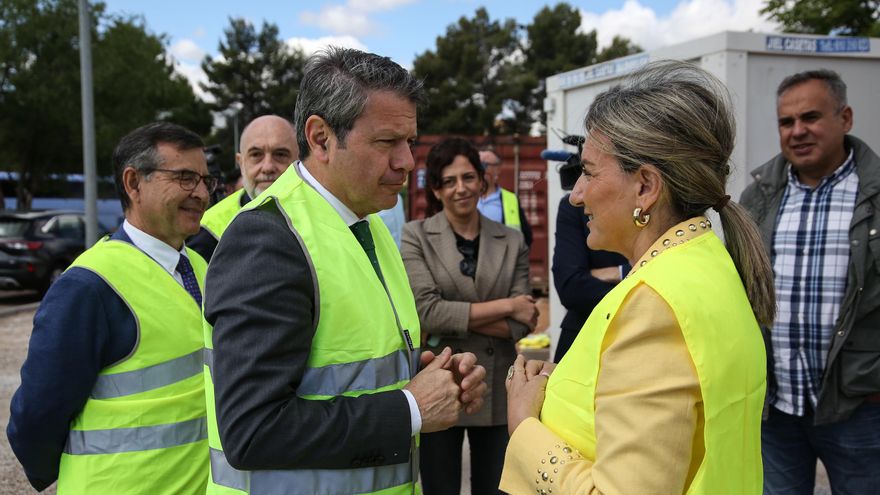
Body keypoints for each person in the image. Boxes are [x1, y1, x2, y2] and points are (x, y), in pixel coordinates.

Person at [202, 47, 487, 495]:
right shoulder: (268, 240)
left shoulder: (367, 224)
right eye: (386, 142)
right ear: (320, 138)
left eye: (410, 142)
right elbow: (251, 430)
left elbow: (350, 365)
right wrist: (411, 407)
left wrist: (433, 376)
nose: (407, 162)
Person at [501, 60, 775, 494]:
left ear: (645, 186)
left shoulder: (654, 305)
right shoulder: (706, 263)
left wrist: (524, 425)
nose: (576, 195)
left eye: (589, 172)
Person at [7, 122, 214, 493]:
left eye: (204, 180)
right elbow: (36, 417)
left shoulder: (202, 269)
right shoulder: (88, 285)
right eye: (185, 178)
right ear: (134, 183)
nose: (201, 193)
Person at [740, 69, 880, 494]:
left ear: (846, 118)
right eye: (786, 122)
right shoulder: (758, 198)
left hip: (860, 406)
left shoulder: (873, 194)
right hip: (776, 408)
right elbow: (738, 291)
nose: (797, 131)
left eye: (811, 117)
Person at [401, 137, 538, 494]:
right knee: (440, 486)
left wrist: (460, 316)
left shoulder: (511, 240)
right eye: (449, 181)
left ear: (482, 180)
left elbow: (524, 323)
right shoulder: (416, 236)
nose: (460, 188)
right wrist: (507, 306)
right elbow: (426, 312)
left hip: (498, 383)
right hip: (443, 379)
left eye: (468, 178)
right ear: (435, 188)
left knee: (495, 486)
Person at [188, 114, 298, 261]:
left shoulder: (325, 212)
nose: (267, 167)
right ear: (241, 163)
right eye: (256, 155)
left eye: (280, 154)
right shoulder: (208, 234)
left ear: (300, 161)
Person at [552, 194, 629, 362]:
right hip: (583, 336)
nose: (576, 193)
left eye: (590, 173)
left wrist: (622, 272)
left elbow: (669, 270)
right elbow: (570, 287)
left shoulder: (667, 207)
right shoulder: (573, 207)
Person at [478, 149, 533, 247]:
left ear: (497, 169)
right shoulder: (465, 196)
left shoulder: (511, 199)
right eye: (476, 164)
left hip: (501, 259)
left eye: (484, 164)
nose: (480, 169)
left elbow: (526, 237)